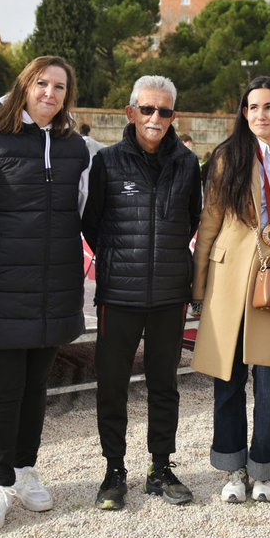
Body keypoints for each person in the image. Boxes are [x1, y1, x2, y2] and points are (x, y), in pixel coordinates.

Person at [0, 56, 91, 531]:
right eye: (42, 84)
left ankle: (26, 469)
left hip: (54, 285)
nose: (50, 93)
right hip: (3, 287)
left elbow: (80, 209)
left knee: (36, 387)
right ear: (25, 87)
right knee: (5, 388)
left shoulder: (76, 150)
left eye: (59, 86)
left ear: (68, 95)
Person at [82, 75, 202, 510]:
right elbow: (91, 224)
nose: (155, 118)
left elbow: (190, 222)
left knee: (164, 385)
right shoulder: (108, 162)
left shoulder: (188, 164)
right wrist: (123, 260)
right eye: (147, 109)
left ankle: (161, 467)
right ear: (131, 112)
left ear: (174, 117)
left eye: (165, 111)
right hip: (119, 294)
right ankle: (114, 471)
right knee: (112, 386)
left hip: (170, 294)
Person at [191, 76, 270, 503]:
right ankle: (230, 469)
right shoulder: (228, 156)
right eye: (253, 107)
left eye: (269, 107)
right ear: (244, 113)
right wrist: (199, 282)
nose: (261, 114)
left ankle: (264, 470)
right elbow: (209, 222)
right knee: (228, 377)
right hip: (229, 275)